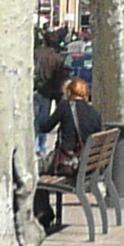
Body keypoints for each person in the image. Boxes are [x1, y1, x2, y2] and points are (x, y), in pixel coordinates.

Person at [33, 77, 103, 235]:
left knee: (34, 171)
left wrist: (38, 117)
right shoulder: (94, 112)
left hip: (67, 165)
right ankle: (46, 213)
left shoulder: (65, 107)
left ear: (69, 92)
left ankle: (43, 212)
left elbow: (45, 127)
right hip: (86, 168)